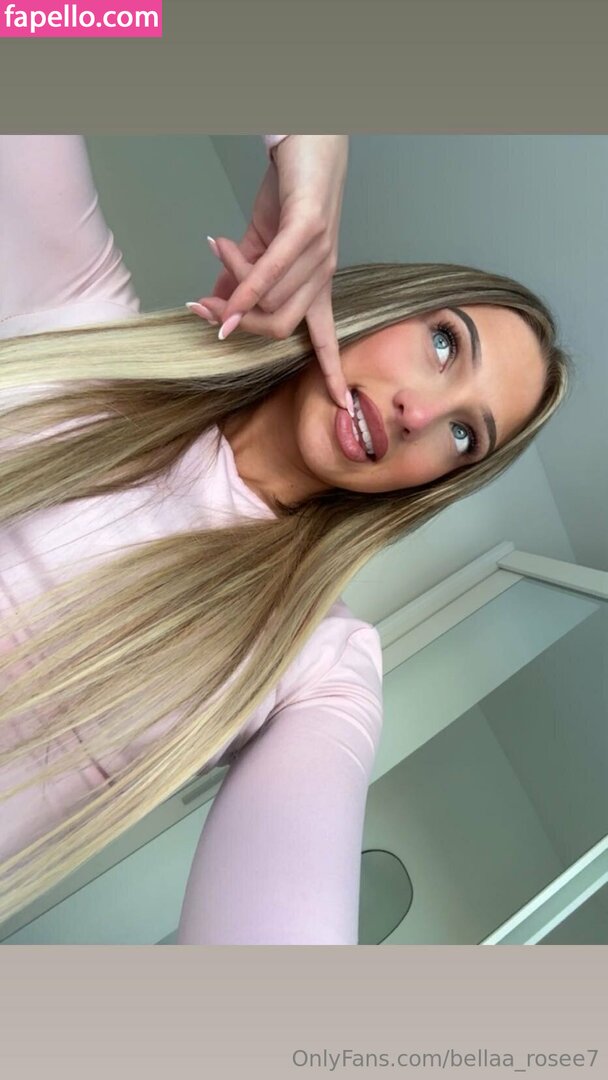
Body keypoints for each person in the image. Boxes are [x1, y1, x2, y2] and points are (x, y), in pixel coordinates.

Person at [0, 136, 573, 944]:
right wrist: (309, 142)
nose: (419, 413)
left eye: (462, 435)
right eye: (445, 344)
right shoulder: (83, 326)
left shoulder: (316, 664)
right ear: (388, 302)